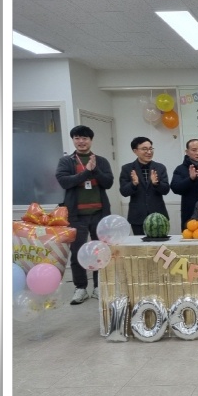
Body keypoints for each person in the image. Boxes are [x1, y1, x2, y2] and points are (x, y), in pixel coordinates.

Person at [55, 125, 114, 305]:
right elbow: (65, 182)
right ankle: (80, 288)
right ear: (73, 140)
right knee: (77, 252)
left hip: (99, 214)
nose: (81, 142)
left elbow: (108, 183)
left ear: (91, 140)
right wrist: (87, 172)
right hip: (76, 216)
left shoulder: (101, 161)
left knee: (100, 251)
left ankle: (98, 286)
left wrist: (95, 170)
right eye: (77, 138)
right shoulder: (66, 161)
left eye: (85, 138)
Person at [118, 137, 170, 235]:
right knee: (139, 243)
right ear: (135, 151)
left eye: (150, 149)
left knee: (160, 243)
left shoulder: (160, 167)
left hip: (158, 216)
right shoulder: (127, 168)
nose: (149, 152)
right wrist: (133, 184)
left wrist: (156, 184)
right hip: (137, 216)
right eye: (144, 149)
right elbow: (124, 192)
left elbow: (166, 190)